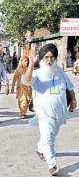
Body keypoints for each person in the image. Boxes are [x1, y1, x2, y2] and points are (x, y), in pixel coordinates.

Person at [22, 44, 77, 176]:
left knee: (51, 136)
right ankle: (52, 165)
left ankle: (41, 150)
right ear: (41, 59)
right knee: (48, 138)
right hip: (44, 113)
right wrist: (30, 65)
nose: (49, 60)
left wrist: (73, 101)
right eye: (46, 57)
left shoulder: (59, 71)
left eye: (52, 57)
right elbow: (27, 81)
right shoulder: (36, 73)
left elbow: (69, 86)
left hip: (60, 112)